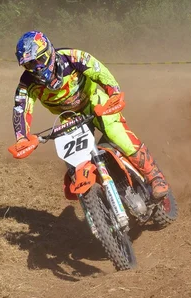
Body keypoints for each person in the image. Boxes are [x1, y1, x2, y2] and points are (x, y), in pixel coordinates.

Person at [9, 31, 170, 199]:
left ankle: (155, 177)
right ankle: (97, 196)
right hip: (68, 116)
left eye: (40, 60)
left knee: (117, 133)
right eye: (30, 65)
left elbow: (99, 72)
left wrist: (114, 93)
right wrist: (21, 138)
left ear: (49, 52)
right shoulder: (26, 83)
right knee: (75, 160)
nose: (37, 68)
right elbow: (21, 108)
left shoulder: (72, 57)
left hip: (95, 102)